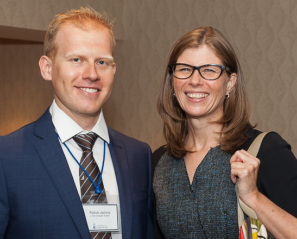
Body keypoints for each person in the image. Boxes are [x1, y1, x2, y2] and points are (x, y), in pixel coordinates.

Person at [0, 7, 153, 239]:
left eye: (101, 61)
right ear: (47, 68)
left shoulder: (139, 155)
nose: (91, 74)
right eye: (76, 59)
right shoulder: (6, 158)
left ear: (113, 70)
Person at [152, 26, 297, 238]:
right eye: (184, 69)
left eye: (209, 70)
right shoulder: (160, 161)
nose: (195, 80)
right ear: (173, 82)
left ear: (230, 83)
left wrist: (254, 197)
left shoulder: (266, 150)